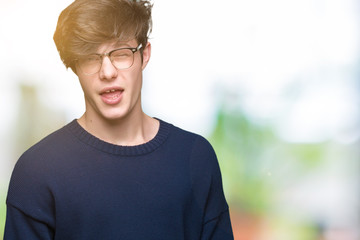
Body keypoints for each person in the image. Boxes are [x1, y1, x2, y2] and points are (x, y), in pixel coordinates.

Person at [4, 0, 234, 239]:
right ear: (75, 67)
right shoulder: (37, 170)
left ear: (144, 55)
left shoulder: (195, 158)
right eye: (91, 58)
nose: (108, 72)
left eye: (121, 54)